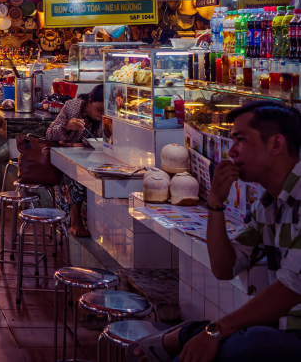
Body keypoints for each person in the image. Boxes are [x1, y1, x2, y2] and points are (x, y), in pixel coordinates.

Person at [129, 101, 301, 362]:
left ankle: (184, 336)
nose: (231, 152)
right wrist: (215, 203)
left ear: (276, 144)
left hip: (290, 336)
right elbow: (224, 268)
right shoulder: (268, 204)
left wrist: (216, 331)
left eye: (240, 140)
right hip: (278, 331)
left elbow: (290, 290)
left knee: (239, 344)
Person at [45, 85, 105, 237]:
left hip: (93, 160)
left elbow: (110, 142)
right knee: (73, 174)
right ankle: (75, 222)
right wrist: (67, 126)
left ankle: (92, 221)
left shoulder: (109, 118)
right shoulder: (72, 107)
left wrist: (79, 144)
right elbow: (50, 134)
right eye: (100, 109)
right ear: (89, 102)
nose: (103, 114)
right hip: (63, 162)